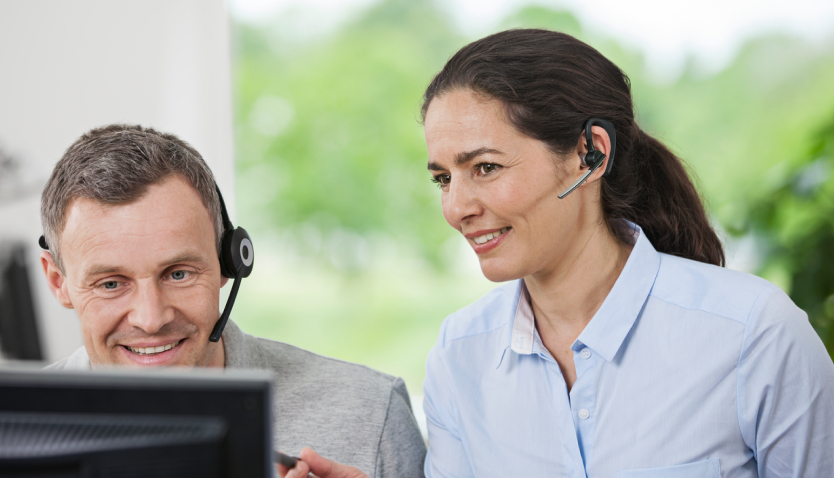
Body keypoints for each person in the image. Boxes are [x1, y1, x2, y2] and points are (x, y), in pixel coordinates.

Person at [284, 28, 834, 478]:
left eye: (485, 168)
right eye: (442, 178)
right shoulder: (460, 357)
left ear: (588, 154)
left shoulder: (754, 334)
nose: (457, 207)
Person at [39, 124, 426, 478]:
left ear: (229, 263)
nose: (151, 318)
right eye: (111, 284)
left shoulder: (371, 412)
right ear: (59, 282)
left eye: (178, 274)